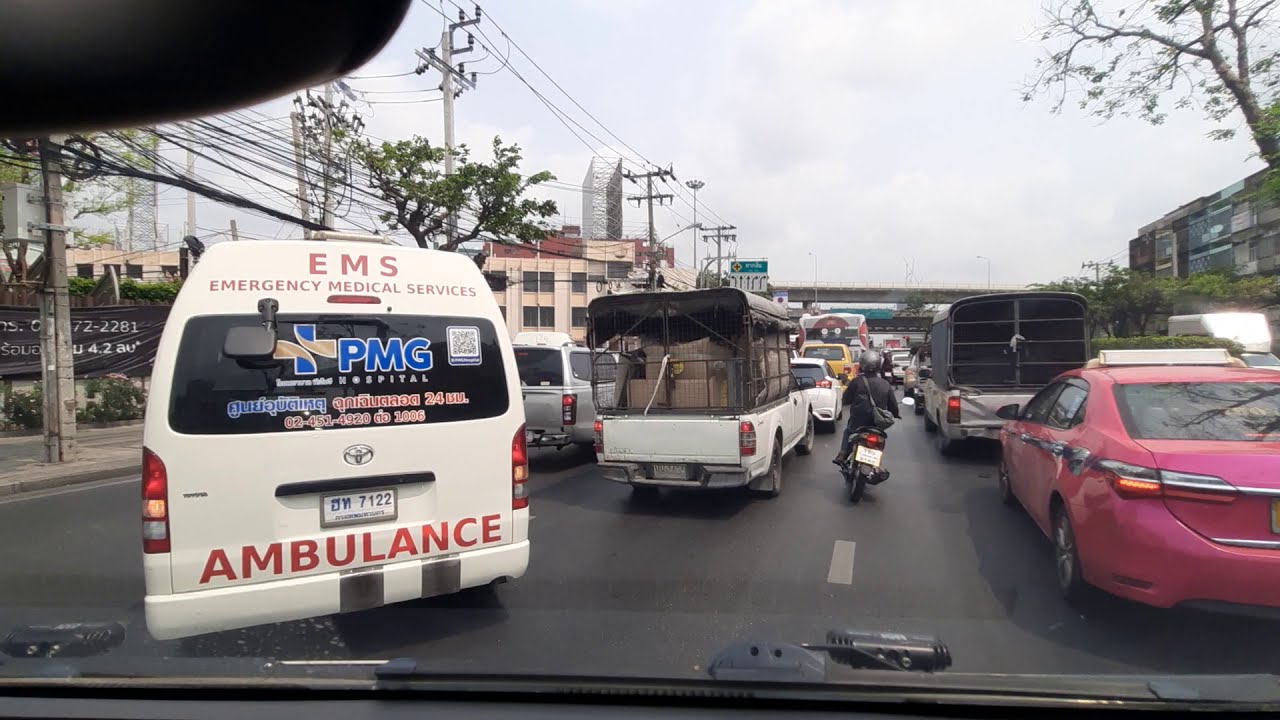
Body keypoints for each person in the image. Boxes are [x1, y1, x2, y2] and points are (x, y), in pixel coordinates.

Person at [833, 350, 900, 466]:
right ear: (878, 365)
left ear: (862, 365)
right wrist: (896, 414)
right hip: (877, 424)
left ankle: (842, 454)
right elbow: (893, 405)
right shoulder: (885, 384)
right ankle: (876, 465)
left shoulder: (856, 382)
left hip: (858, 421)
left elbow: (846, 399)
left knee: (848, 432)